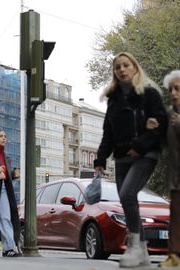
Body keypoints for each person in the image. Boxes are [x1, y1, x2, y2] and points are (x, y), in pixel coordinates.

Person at [93, 52, 167, 268]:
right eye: (118, 67)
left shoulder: (149, 93)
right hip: (122, 156)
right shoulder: (113, 100)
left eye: (126, 65)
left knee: (127, 193)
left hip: (146, 153)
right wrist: (100, 159)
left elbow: (160, 123)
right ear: (115, 73)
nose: (122, 70)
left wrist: (140, 145)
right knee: (128, 201)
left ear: (135, 68)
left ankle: (134, 247)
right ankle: (142, 251)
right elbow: (108, 132)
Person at [156, 70, 180, 268]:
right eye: (171, 89)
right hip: (176, 176)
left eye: (178, 89)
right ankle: (173, 256)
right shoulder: (169, 115)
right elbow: (162, 143)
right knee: (175, 217)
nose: (173, 93)